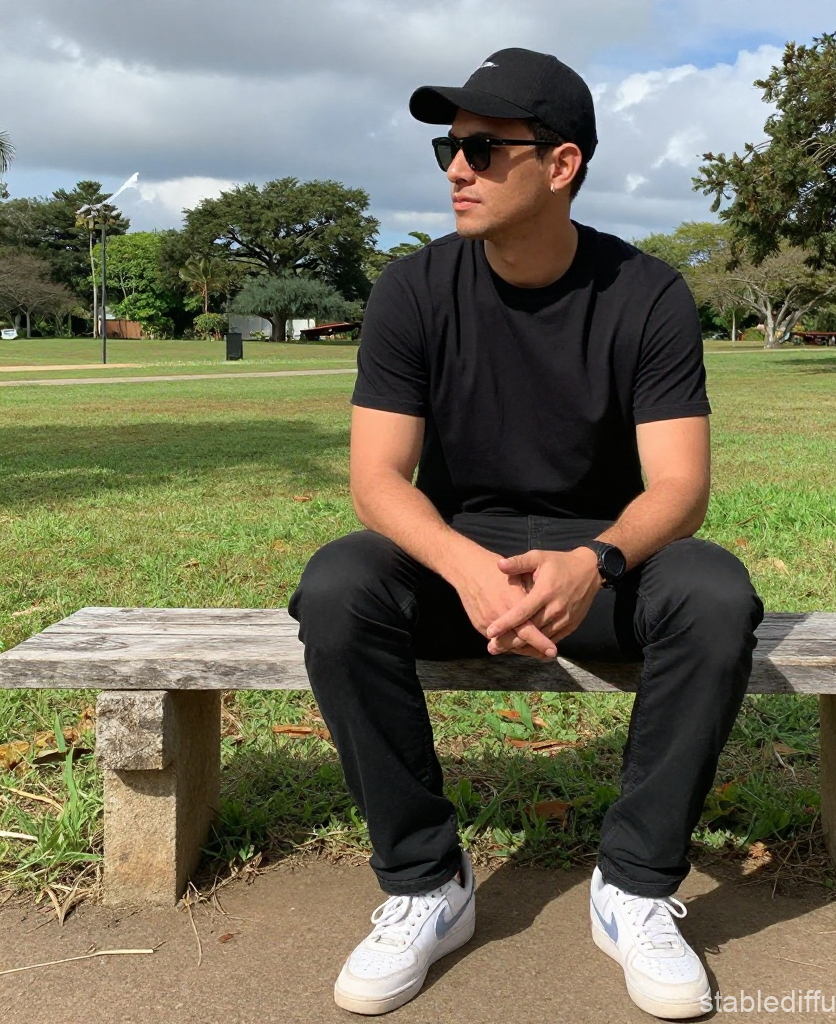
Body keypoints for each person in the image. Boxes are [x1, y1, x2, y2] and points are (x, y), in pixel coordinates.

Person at [289, 47, 763, 1019]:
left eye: (483, 147)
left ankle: (632, 886)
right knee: (338, 585)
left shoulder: (646, 295)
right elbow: (377, 481)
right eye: (447, 148)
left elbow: (679, 487)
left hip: (597, 561)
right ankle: (427, 883)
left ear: (560, 164)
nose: (456, 168)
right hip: (457, 557)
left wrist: (593, 563)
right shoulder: (412, 289)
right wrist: (464, 566)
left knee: (714, 593)